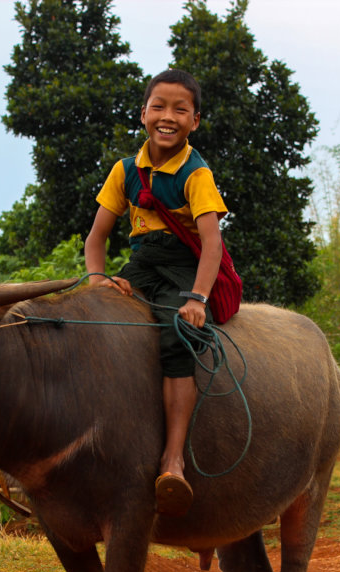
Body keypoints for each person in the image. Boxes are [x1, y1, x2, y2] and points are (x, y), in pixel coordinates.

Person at [84, 68, 229, 517]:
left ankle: (173, 458)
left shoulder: (195, 173)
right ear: (144, 112)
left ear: (195, 121)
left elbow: (212, 244)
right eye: (159, 107)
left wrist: (197, 299)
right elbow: (96, 239)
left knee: (174, 336)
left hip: (183, 267)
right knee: (94, 317)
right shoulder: (125, 171)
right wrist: (97, 280)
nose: (168, 117)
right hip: (142, 261)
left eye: (180, 110)